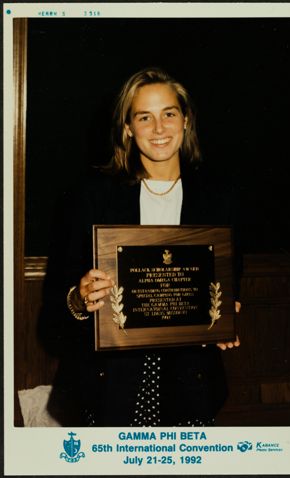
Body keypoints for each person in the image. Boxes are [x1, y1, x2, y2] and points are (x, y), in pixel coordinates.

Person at [39, 67, 241, 427]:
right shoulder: (91, 197)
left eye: (169, 113)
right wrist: (79, 298)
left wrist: (225, 318)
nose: (159, 129)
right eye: (145, 117)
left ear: (186, 119)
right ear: (128, 128)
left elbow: (228, 281)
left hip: (191, 386)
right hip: (111, 387)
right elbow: (56, 312)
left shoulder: (218, 197)